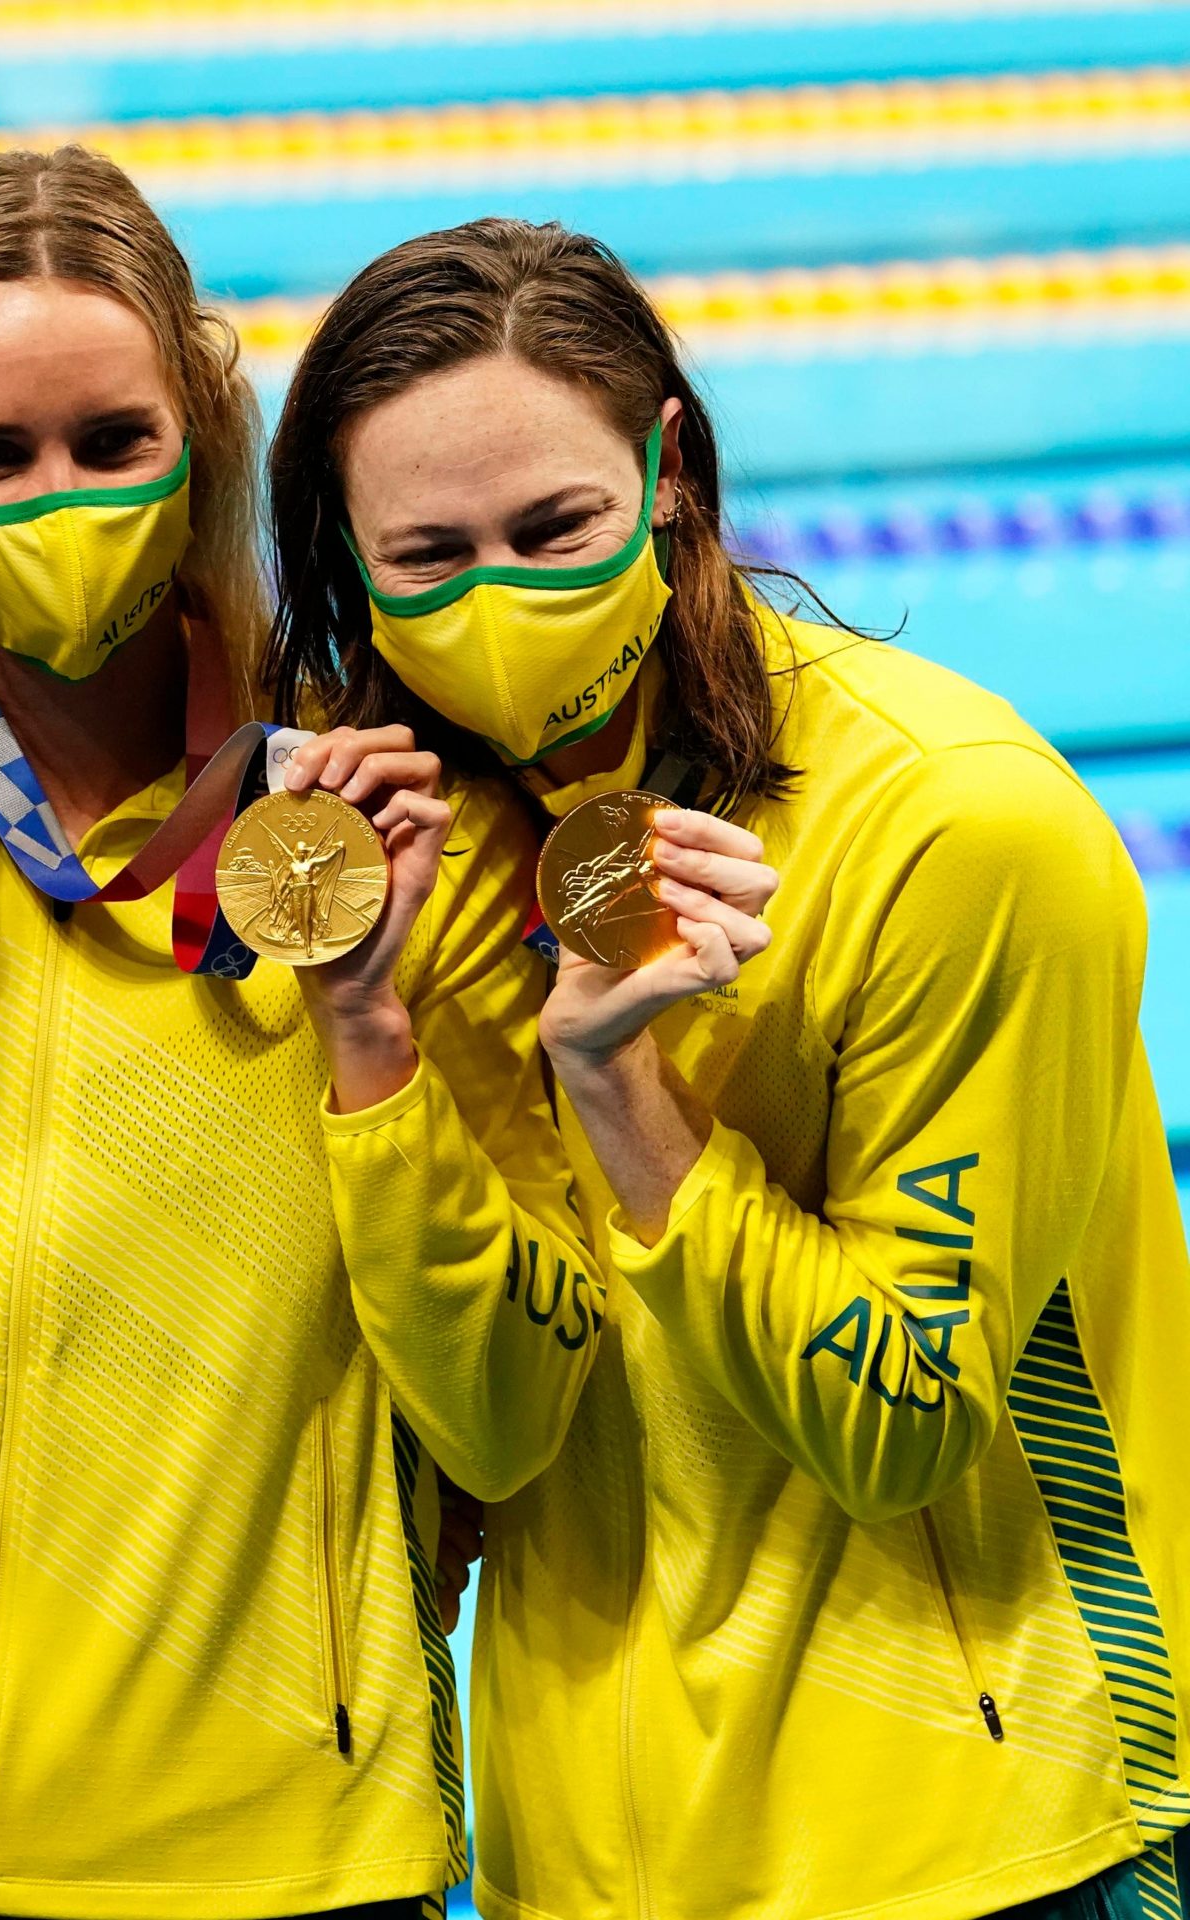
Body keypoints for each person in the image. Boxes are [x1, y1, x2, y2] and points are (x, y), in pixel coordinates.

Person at [265, 217, 1190, 1920]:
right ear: (351, 560)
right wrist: (374, 1037)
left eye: (556, 529)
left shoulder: (956, 828)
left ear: (668, 470)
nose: (500, 607)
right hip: (599, 1856)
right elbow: (495, 1425)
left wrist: (626, 1102)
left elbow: (901, 1426)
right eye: (429, 558)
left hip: (985, 1835)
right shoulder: (438, 856)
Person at [0, 147, 599, 1919]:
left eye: (111, 441)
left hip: (285, 1856)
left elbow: (511, 1415)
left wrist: (369, 1020)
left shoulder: (385, 835)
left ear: (203, 443)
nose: (55, 498)